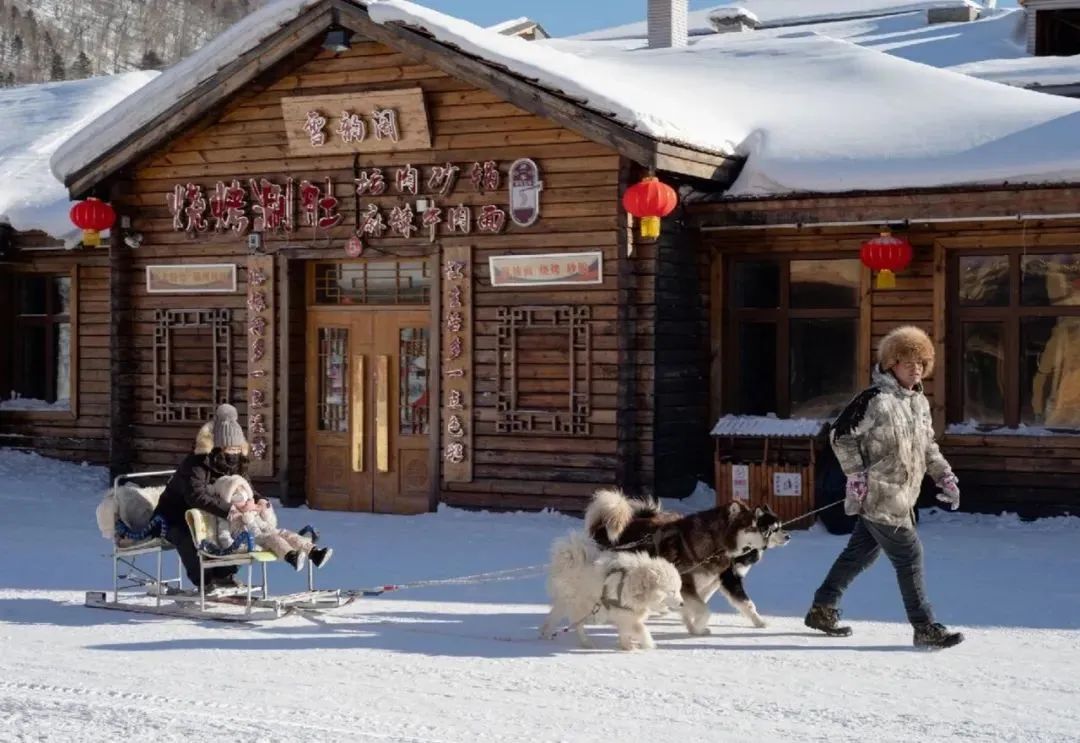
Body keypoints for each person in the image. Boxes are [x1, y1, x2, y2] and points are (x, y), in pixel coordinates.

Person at [804, 326, 964, 649]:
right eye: (908, 362)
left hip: (904, 497)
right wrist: (856, 473)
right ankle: (924, 626)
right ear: (892, 363)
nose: (916, 368)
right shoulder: (874, 400)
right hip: (880, 495)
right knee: (910, 555)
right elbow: (839, 435)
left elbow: (928, 446)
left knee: (859, 555)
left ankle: (823, 607)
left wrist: (944, 476)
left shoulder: (919, 403)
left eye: (921, 362)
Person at [153, 403, 261, 591]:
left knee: (237, 533)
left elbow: (246, 485)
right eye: (229, 448)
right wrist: (231, 510)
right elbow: (196, 496)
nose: (234, 453)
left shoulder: (236, 464)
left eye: (237, 448)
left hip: (211, 516)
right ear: (218, 446)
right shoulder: (197, 462)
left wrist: (259, 501)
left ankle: (224, 575)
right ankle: (204, 582)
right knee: (189, 536)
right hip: (173, 516)